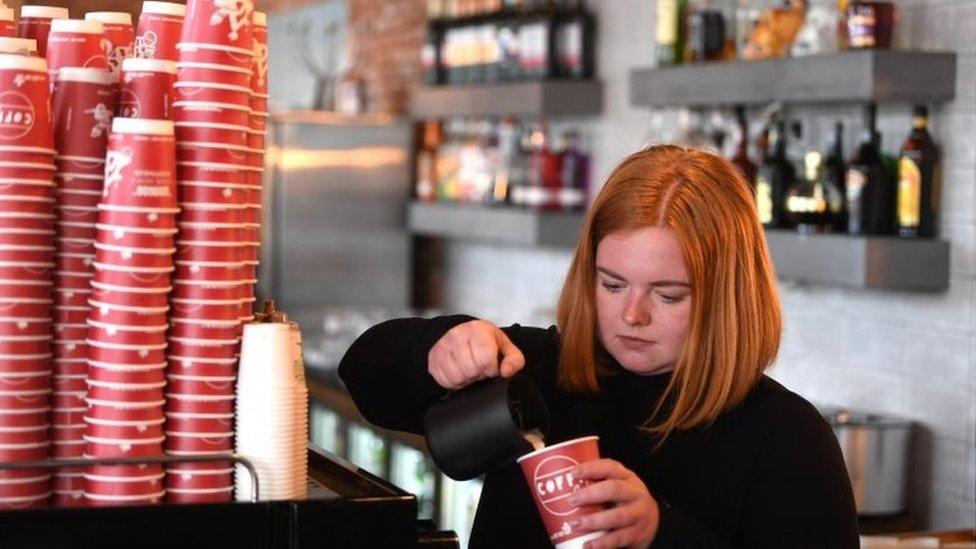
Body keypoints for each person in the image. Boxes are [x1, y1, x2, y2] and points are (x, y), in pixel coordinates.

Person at [338, 145, 859, 548]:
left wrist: (660, 534)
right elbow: (364, 374)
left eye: (668, 294)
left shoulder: (787, 439)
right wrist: (435, 349)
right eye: (612, 285)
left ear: (727, 298)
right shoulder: (534, 374)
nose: (632, 315)